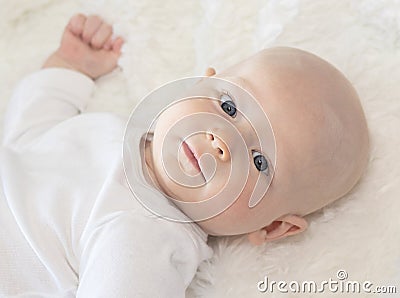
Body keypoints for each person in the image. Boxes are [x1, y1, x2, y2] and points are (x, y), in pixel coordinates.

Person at [0, 14, 369, 297]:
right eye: (229, 106)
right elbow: (31, 131)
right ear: (202, 81)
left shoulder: (152, 237)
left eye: (261, 162)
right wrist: (71, 65)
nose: (221, 141)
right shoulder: (110, 128)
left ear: (273, 227)